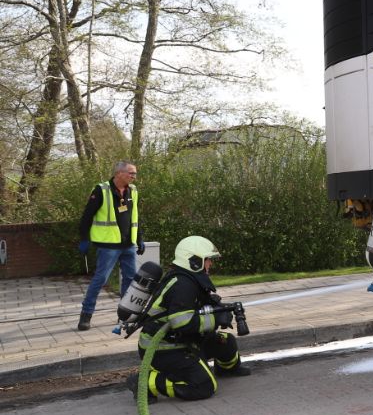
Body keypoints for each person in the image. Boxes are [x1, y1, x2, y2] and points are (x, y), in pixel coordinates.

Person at [133, 236, 251, 400]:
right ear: (195, 261)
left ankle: (226, 370)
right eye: (208, 260)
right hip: (163, 349)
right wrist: (216, 319)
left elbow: (192, 311)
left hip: (183, 341)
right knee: (204, 386)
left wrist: (216, 308)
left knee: (226, 342)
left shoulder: (188, 279)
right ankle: (146, 382)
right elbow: (182, 323)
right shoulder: (183, 285)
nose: (211, 264)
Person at [76, 161, 145, 331]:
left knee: (130, 279)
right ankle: (86, 315)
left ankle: (125, 315)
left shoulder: (133, 191)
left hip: (128, 244)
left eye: (134, 174)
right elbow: (87, 216)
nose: (134, 176)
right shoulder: (101, 190)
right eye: (131, 173)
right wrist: (84, 239)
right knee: (100, 279)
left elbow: (134, 216)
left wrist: (140, 238)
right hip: (108, 246)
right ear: (119, 173)